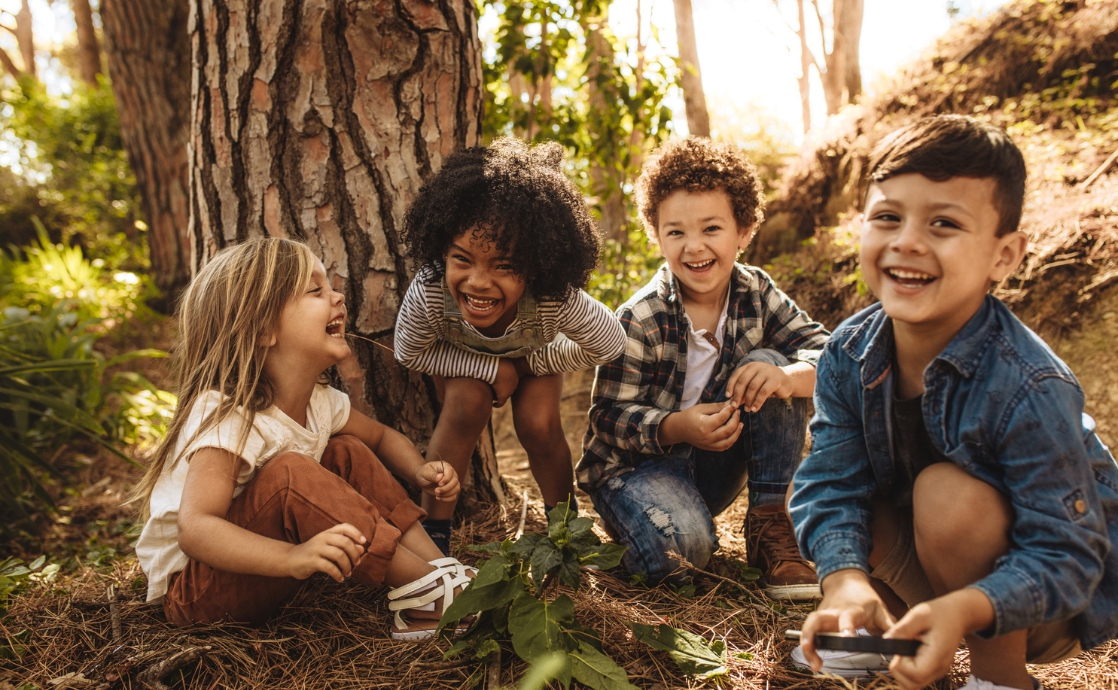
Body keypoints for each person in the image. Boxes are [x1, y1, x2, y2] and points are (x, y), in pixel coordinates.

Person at [790, 115, 1118, 688]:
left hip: (1044, 596)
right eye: (888, 217)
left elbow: (1068, 555)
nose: (908, 241)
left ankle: (999, 677)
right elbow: (831, 482)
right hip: (937, 565)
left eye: (944, 223)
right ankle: (892, 640)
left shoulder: (1029, 383)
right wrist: (843, 579)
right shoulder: (847, 351)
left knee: (946, 495)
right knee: (841, 487)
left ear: (1004, 256)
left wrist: (965, 608)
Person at [133, 238, 474, 640]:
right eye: (315, 290)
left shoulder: (321, 402)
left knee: (345, 450)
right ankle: (432, 595)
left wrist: (418, 470)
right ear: (262, 328)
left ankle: (437, 571)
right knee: (291, 472)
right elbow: (196, 529)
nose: (338, 297)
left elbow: (380, 438)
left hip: (260, 570)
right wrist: (292, 557)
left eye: (329, 287)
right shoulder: (228, 414)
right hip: (199, 592)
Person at [576, 137, 830, 598]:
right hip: (635, 473)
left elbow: (831, 354)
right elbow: (607, 417)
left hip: (713, 466)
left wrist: (789, 377)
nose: (694, 247)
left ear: (745, 230)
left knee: (770, 366)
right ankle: (653, 532)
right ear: (657, 236)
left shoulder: (757, 292)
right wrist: (676, 427)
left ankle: (770, 524)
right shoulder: (640, 317)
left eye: (711, 228)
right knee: (683, 554)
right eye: (676, 232)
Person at [394, 138, 626, 555]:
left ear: (536, 267)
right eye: (462, 259)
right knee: (465, 404)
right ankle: (433, 543)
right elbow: (409, 352)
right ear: (442, 251)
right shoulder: (430, 290)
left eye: (504, 266)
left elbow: (609, 342)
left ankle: (566, 533)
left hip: (534, 359)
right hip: (464, 364)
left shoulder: (554, 297)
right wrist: (490, 369)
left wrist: (530, 363)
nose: (478, 281)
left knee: (538, 424)